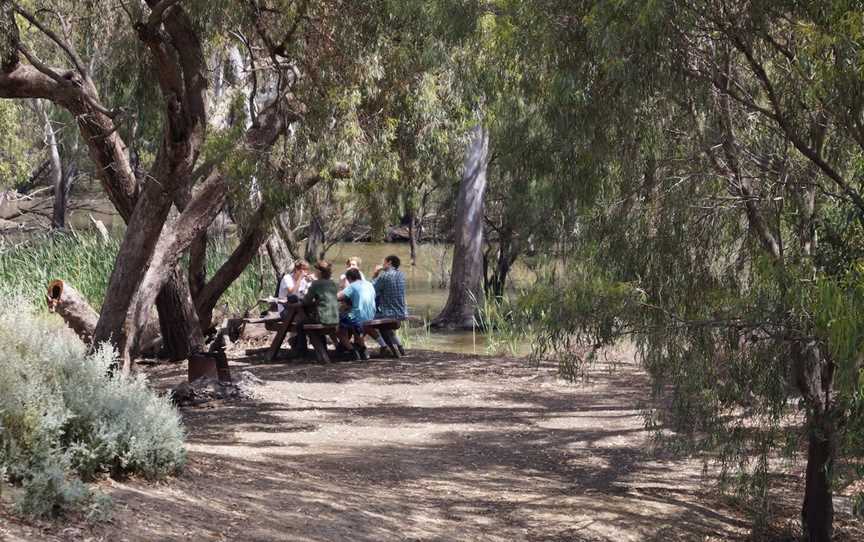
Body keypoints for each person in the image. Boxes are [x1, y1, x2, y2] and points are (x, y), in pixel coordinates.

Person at [372, 254, 407, 356]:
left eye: (384, 262)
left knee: (371, 321)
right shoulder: (401, 275)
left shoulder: (384, 276)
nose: (383, 264)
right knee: (386, 326)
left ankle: (392, 350)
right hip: (402, 312)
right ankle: (400, 347)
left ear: (389, 262)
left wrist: (375, 274)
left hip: (389, 313)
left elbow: (372, 290)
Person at [337, 267, 376, 360]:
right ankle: (361, 348)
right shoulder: (369, 284)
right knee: (347, 320)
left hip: (357, 316)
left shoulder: (352, 286)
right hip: (371, 315)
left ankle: (352, 350)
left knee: (336, 324)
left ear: (349, 278)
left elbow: (338, 297)